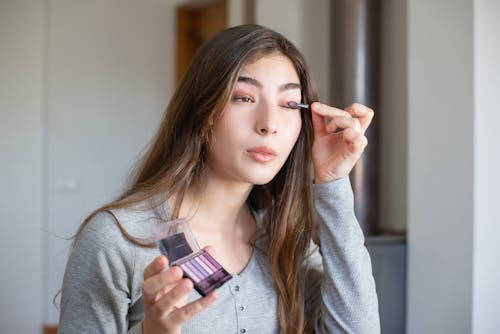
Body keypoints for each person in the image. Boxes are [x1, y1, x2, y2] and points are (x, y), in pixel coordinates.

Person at [58, 24, 380, 334]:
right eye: (244, 97)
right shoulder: (116, 239)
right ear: (204, 111)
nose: (269, 124)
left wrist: (333, 182)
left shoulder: (285, 241)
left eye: (288, 104)